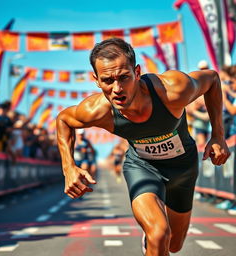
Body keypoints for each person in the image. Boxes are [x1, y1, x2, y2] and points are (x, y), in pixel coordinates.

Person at [56, 38, 230, 256]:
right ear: (97, 81)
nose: (117, 89)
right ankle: (153, 239)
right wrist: (69, 167)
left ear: (137, 72)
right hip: (143, 168)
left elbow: (212, 79)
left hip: (183, 169)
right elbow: (63, 120)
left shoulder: (172, 90)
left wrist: (218, 136)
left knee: (173, 245)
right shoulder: (98, 111)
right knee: (158, 233)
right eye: (108, 80)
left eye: (124, 77)